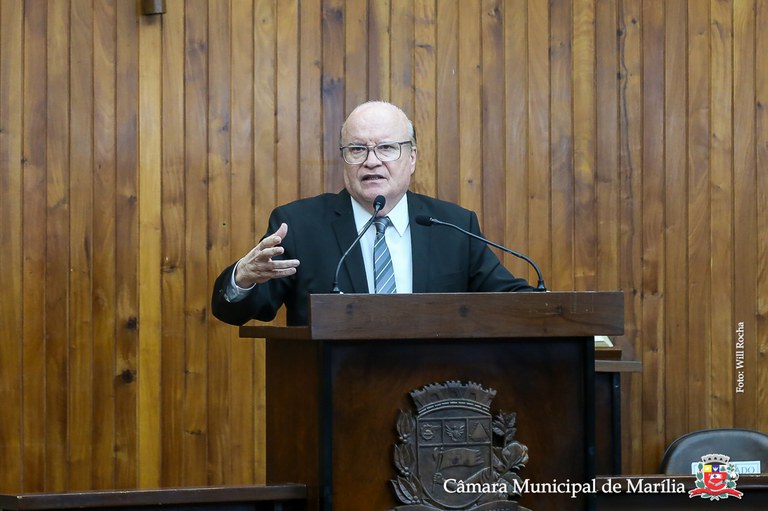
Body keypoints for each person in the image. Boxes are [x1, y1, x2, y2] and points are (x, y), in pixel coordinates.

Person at [211, 101, 534, 326]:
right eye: (357, 149)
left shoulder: (453, 226)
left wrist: (552, 308)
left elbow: (509, 299)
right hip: (334, 392)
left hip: (433, 395)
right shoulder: (300, 226)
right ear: (344, 158)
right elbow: (237, 311)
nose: (372, 161)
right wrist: (242, 278)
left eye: (386, 148)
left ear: (412, 157)